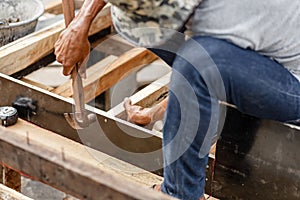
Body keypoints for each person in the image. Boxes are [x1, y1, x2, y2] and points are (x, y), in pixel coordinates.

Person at [54, 0, 300, 199]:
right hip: (255, 45)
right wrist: (81, 23)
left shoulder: (218, 20)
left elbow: (202, 67)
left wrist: (157, 111)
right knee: (144, 30)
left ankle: (180, 193)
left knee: (197, 61)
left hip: (291, 85)